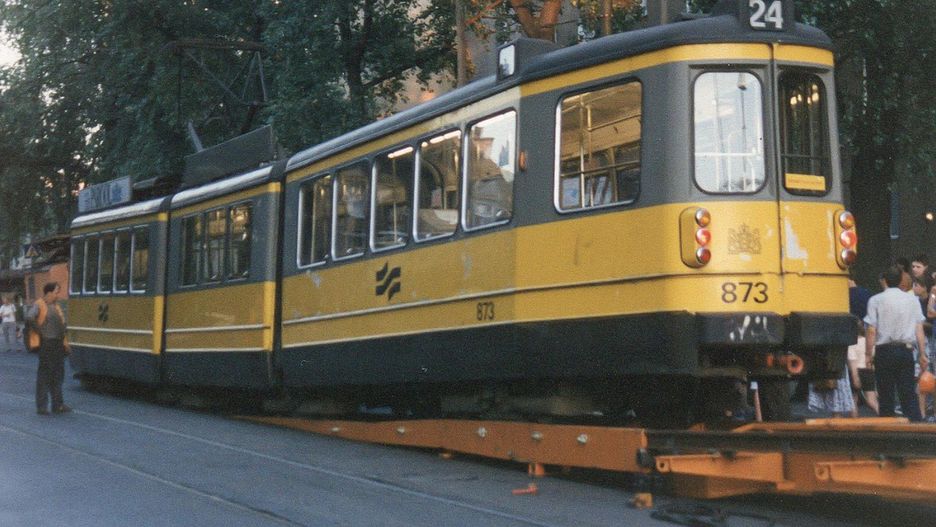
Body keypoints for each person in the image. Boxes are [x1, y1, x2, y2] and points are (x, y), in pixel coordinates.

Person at [864, 265, 929, 422]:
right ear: (901, 280)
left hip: (884, 352)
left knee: (885, 396)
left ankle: (888, 430)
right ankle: (915, 427)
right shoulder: (912, 300)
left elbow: (871, 330)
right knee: (908, 394)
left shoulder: (875, 300)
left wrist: (868, 354)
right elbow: (919, 328)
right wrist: (922, 354)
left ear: (884, 280)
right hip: (905, 351)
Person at [27, 282, 71, 415]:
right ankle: (42, 406)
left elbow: (62, 326)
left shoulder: (56, 306)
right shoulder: (39, 304)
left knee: (58, 375)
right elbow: (29, 317)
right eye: (56, 292)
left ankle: (58, 405)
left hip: (58, 344)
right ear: (49, 292)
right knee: (45, 375)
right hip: (47, 344)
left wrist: (65, 345)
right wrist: (40, 331)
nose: (58, 295)